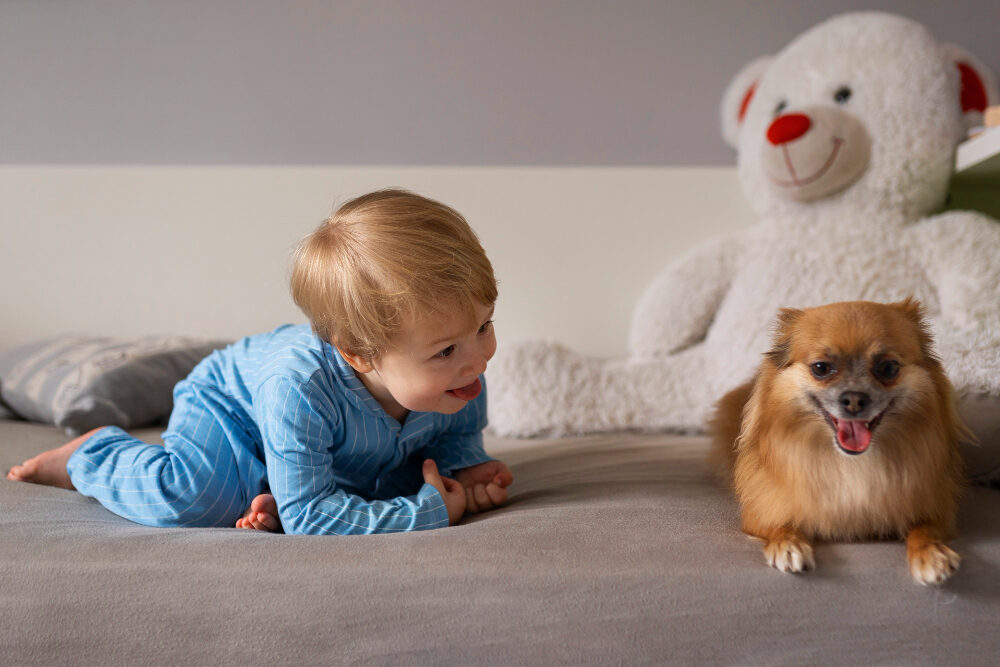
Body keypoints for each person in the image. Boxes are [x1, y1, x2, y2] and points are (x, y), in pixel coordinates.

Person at [7, 189, 513, 535]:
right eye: (446, 349)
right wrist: (427, 513)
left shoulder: (455, 376)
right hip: (234, 410)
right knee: (194, 499)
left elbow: (452, 439)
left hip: (323, 441)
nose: (478, 359)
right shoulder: (299, 386)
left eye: (484, 326)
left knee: (393, 478)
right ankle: (90, 456)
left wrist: (464, 471)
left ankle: (274, 486)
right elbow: (312, 519)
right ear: (359, 354)